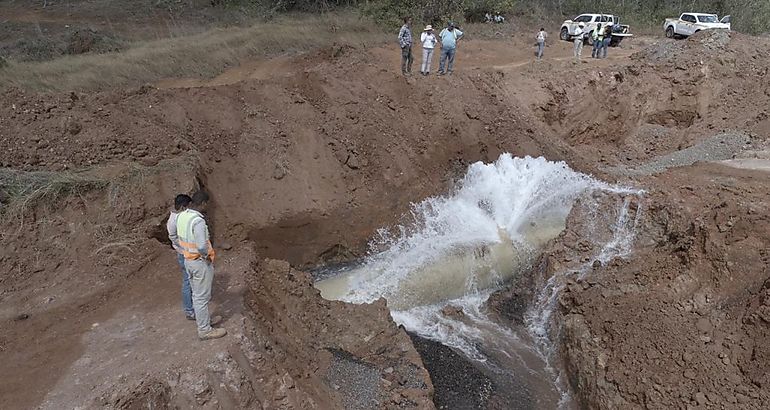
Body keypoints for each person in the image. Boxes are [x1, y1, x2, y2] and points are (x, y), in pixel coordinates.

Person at [177, 191, 226, 340]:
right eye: (208, 203)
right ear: (204, 203)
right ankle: (204, 330)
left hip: (188, 260)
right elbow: (201, 245)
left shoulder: (182, 216)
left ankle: (204, 322)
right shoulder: (198, 221)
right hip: (199, 262)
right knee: (201, 298)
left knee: (197, 295)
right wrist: (207, 257)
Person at [167, 194, 195, 320]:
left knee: (189, 281)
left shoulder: (175, 218)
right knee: (188, 282)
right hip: (185, 254)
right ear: (184, 206)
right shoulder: (175, 220)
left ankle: (192, 307)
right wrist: (187, 247)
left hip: (184, 252)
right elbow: (173, 238)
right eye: (189, 206)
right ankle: (190, 310)